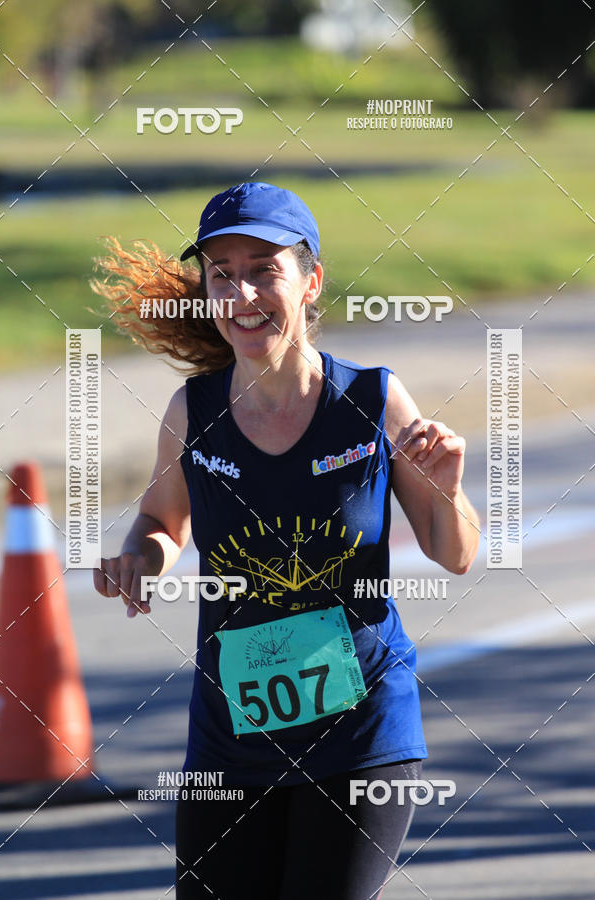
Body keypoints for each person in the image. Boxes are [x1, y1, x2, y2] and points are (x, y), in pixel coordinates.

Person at [92, 181, 479, 899]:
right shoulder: (194, 411)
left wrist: (447, 488)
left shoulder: (371, 401)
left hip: (361, 731)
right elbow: (162, 521)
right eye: (221, 273)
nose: (241, 293)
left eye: (264, 269)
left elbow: (454, 553)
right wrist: (138, 560)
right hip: (229, 735)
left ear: (310, 281)